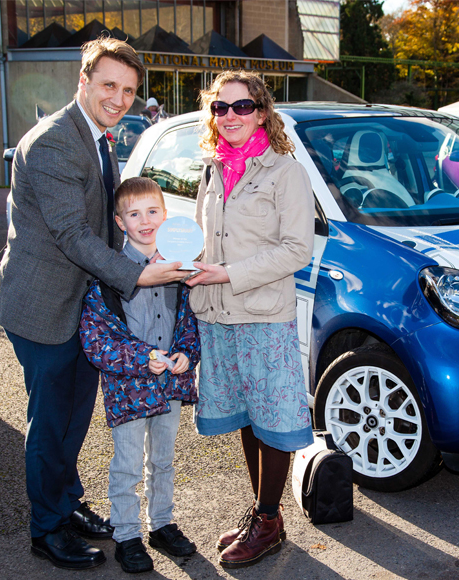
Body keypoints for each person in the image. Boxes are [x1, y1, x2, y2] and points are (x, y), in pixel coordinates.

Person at [0, 36, 186, 571]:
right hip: (42, 307)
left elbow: (107, 224)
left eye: (129, 91)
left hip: (81, 307)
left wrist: (158, 253)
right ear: (84, 81)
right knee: (51, 423)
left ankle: (65, 503)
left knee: (73, 419)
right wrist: (139, 275)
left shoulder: (99, 138)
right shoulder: (54, 141)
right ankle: (46, 528)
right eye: (109, 86)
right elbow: (73, 233)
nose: (119, 99)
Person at [186, 70, 315, 569]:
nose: (230, 116)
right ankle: (264, 512)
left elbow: (297, 250)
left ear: (261, 113)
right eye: (221, 107)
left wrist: (229, 273)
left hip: (262, 315)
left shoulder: (286, 172)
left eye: (242, 106)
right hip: (218, 313)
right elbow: (204, 238)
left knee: (273, 420)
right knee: (246, 414)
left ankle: (267, 520)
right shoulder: (213, 170)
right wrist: (186, 265)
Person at [79, 177, 200, 574]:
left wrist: (186, 354)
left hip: (168, 387)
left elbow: (190, 322)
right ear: (120, 222)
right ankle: (127, 534)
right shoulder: (109, 276)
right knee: (128, 464)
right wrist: (140, 358)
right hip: (129, 390)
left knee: (163, 460)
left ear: (165, 215)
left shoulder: (180, 268)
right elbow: (97, 340)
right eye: (134, 214)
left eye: (152, 211)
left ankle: (161, 524)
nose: (145, 221)